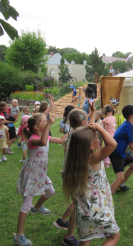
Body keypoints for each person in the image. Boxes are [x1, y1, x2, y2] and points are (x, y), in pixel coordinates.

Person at [14, 114, 69, 246]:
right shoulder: (33, 139)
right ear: (36, 127)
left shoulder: (46, 137)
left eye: (47, 120)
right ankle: (18, 235)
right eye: (44, 121)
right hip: (32, 174)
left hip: (40, 173)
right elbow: (43, 142)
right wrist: (49, 124)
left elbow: (61, 140)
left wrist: (74, 129)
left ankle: (37, 207)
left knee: (50, 191)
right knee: (26, 204)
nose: (47, 121)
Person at [62, 123, 120, 245]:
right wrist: (99, 128)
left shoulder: (74, 159)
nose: (99, 140)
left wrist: (93, 119)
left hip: (83, 208)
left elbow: (84, 134)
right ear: (91, 145)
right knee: (114, 237)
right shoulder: (93, 158)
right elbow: (113, 144)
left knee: (85, 240)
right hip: (97, 207)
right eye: (97, 138)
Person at [55, 105, 97, 246]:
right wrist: (94, 113)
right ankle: (69, 236)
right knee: (77, 206)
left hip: (68, 172)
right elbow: (92, 127)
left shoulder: (72, 132)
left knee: (75, 202)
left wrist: (93, 112)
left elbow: (89, 124)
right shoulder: (81, 134)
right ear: (83, 122)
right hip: (74, 174)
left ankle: (62, 221)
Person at [109, 105, 133, 194]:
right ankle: (106, 200)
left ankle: (121, 185)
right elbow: (132, 147)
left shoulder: (127, 124)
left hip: (121, 151)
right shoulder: (129, 126)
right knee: (120, 178)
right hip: (116, 153)